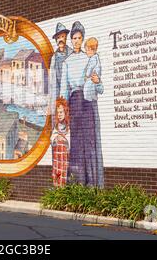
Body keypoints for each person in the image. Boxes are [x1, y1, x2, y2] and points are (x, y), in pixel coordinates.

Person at [60, 21, 104, 188]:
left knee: (90, 142)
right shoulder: (67, 62)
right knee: (77, 143)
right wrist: (62, 108)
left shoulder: (91, 57)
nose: (76, 41)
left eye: (79, 38)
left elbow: (100, 86)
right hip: (75, 102)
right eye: (74, 38)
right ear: (71, 40)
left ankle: (93, 183)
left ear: (83, 39)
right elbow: (64, 89)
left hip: (89, 103)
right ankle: (77, 184)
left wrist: (97, 81)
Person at [49, 22, 72, 125]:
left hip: (69, 92)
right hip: (57, 94)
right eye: (59, 37)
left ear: (66, 37)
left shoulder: (71, 53)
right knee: (57, 120)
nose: (61, 39)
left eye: (63, 36)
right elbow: (51, 80)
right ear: (56, 40)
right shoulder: (54, 57)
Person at [51, 97, 70, 187]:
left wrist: (64, 139)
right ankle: (57, 187)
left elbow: (69, 138)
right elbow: (52, 137)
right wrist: (56, 137)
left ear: (65, 112)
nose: (59, 114)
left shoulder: (68, 126)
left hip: (65, 156)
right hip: (57, 157)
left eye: (61, 112)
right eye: (58, 112)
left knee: (63, 171)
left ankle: (63, 187)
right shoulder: (57, 126)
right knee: (57, 172)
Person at [83, 38, 102, 102]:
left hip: (91, 85)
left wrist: (86, 75)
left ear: (92, 50)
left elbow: (88, 72)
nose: (86, 52)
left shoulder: (93, 59)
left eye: (87, 50)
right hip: (92, 84)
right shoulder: (96, 58)